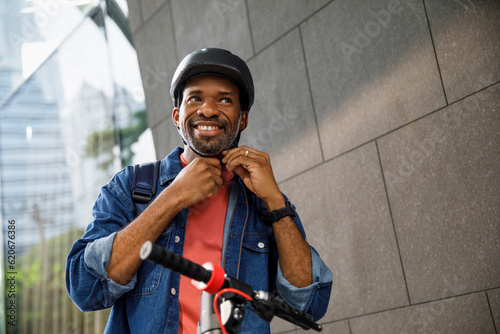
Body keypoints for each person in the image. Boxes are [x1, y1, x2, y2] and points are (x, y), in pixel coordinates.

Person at [66, 48, 332, 333]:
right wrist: (173, 197)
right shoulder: (130, 187)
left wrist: (274, 200)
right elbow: (86, 288)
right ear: (177, 116)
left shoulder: (263, 202)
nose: (208, 110)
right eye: (195, 98)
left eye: (225, 100)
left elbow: (308, 305)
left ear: (242, 119)